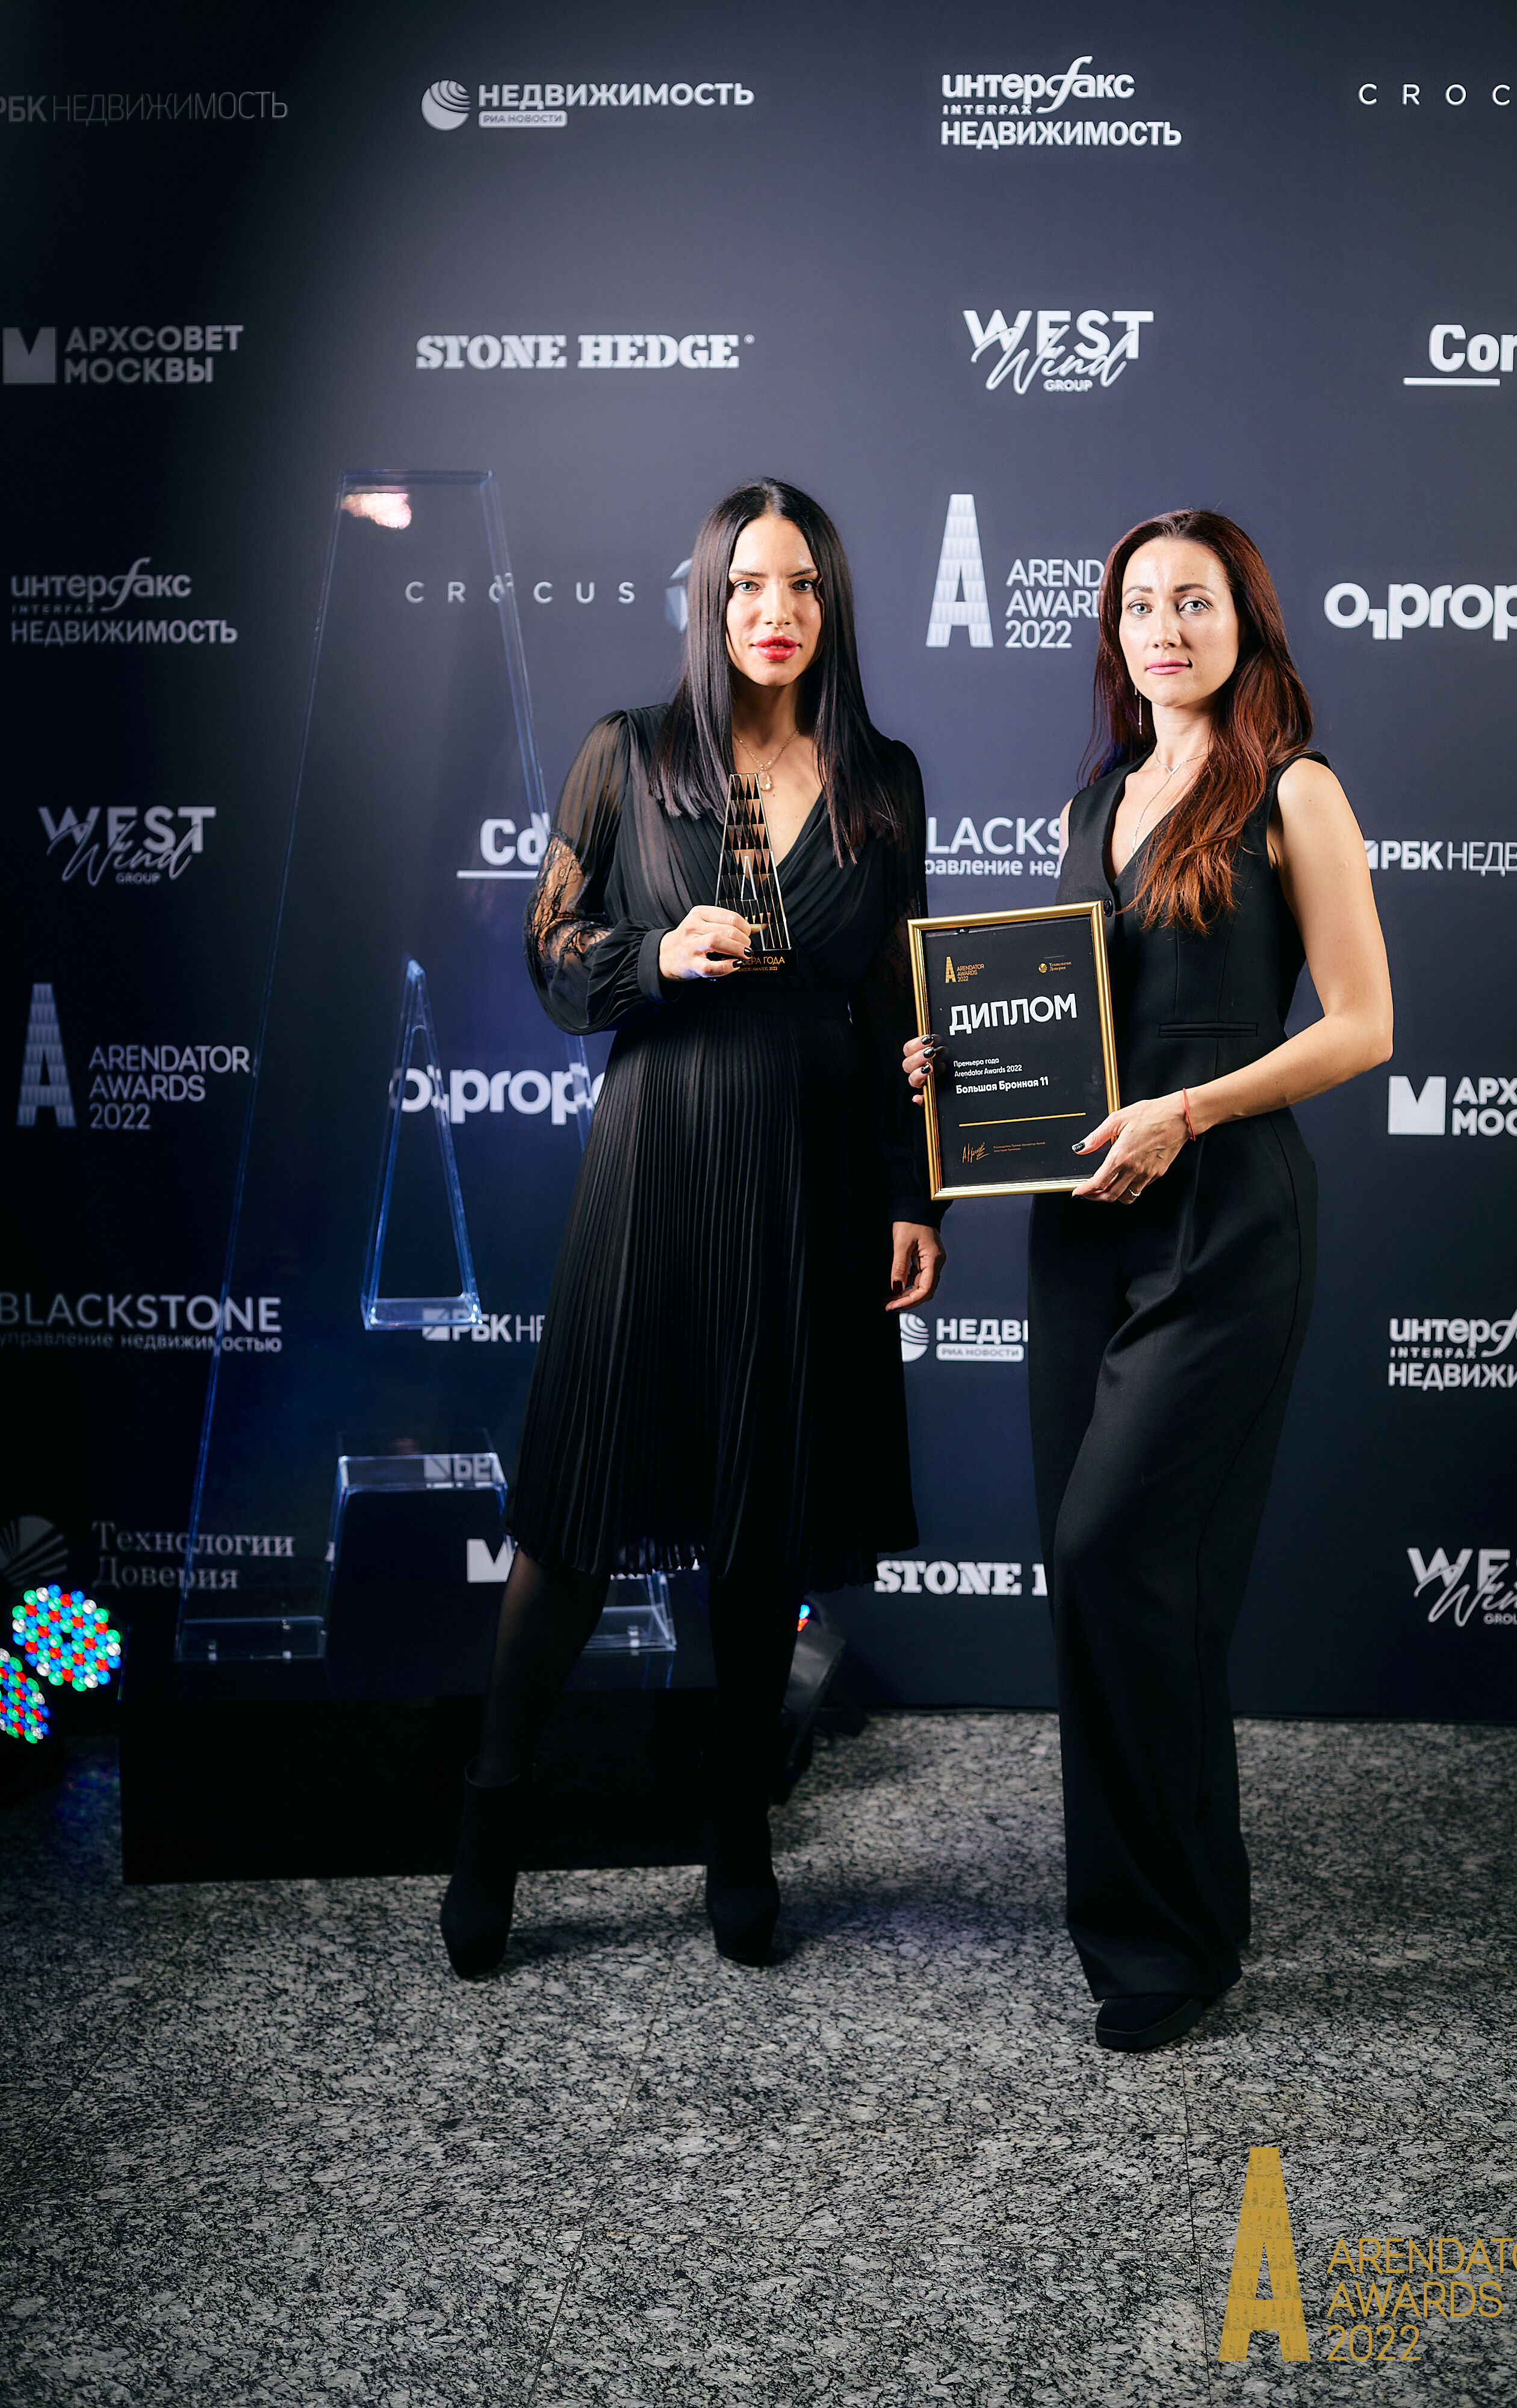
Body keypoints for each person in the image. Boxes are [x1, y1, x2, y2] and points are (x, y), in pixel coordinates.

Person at [441, 479, 946, 1978]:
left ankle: (737, 1830)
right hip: (657, 1159)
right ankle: (490, 1819)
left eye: (799, 585)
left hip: (811, 1177)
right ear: (708, 600)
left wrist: (912, 1188)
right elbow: (551, 953)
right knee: (575, 1511)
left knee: (758, 1518)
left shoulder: (883, 780)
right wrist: (655, 954)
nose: (771, 611)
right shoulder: (627, 753)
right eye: (744, 585)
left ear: (829, 603)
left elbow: (898, 1003)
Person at [906, 510, 1391, 2050]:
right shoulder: (1095, 800)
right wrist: (960, 1065)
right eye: (1136, 605)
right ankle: (1149, 1924)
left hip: (1223, 1215)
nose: (1162, 627)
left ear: (1245, 621)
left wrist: (1190, 1108)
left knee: (1127, 1551)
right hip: (1082, 1223)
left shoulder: (1294, 788)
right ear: (1109, 632)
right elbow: (1075, 1028)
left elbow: (1362, 1024)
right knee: (1097, 1576)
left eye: (1193, 600)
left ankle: (1171, 1937)